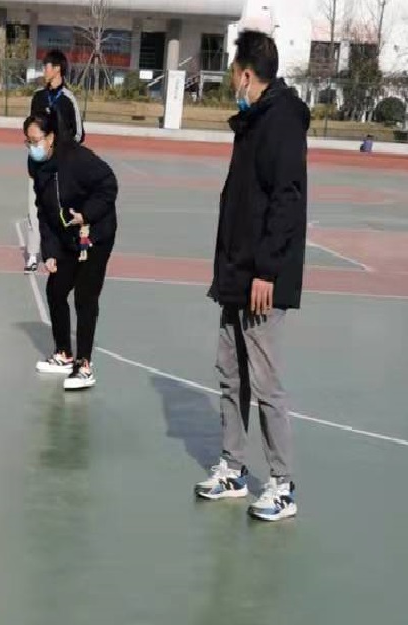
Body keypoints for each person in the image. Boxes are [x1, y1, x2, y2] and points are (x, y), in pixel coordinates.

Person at [194, 29, 308, 523]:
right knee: (230, 374)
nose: (231, 83)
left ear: (245, 73)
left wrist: (267, 270)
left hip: (261, 277)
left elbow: (286, 199)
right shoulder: (253, 119)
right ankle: (233, 468)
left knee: (265, 383)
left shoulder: (282, 120)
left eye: (233, 73)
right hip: (235, 273)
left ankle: (282, 484)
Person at [27, 97, 118, 390]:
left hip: (94, 234)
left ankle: (84, 365)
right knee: (55, 290)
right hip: (65, 237)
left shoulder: (79, 159)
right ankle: (64, 354)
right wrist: (50, 252)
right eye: (27, 142)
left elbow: (109, 184)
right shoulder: (37, 165)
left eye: (35, 141)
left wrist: (86, 214)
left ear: (51, 137)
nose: (31, 147)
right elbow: (44, 210)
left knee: (85, 297)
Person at [25, 49, 84, 273]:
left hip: (60, 167)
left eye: (46, 67)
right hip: (37, 164)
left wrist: (64, 152)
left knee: (60, 208)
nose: (44, 71)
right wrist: (34, 147)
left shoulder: (68, 99)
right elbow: (30, 127)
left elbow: (79, 134)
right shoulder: (38, 96)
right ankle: (32, 254)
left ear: (57, 69)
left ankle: (61, 251)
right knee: (33, 208)